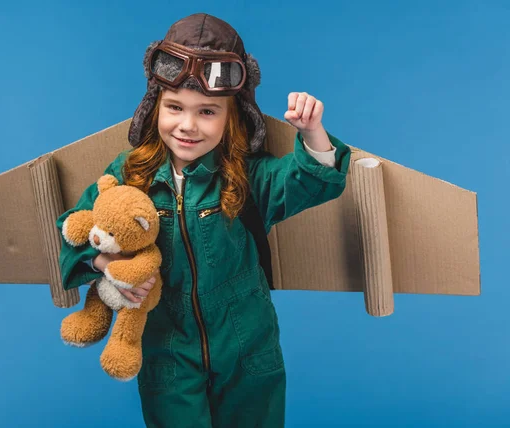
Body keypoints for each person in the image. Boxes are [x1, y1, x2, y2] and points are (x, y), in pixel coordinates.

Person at [57, 12, 351, 428]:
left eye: (207, 112)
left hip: (247, 347)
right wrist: (107, 266)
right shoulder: (130, 175)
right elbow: (75, 230)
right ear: (154, 106)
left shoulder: (246, 177)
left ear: (232, 116)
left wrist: (313, 133)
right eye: (175, 107)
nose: (187, 126)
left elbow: (310, 181)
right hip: (167, 349)